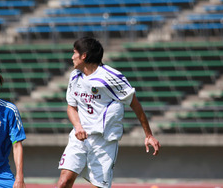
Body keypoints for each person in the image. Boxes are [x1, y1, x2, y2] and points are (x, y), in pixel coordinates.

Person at [56, 37, 161, 188]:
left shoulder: (111, 77)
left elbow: (136, 105)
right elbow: (71, 107)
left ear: (84, 56)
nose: (72, 57)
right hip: (79, 138)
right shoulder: (74, 76)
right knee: (63, 182)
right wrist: (78, 126)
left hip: (104, 141)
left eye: (74, 53)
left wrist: (149, 135)